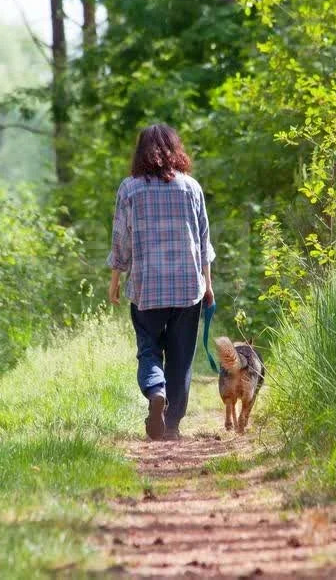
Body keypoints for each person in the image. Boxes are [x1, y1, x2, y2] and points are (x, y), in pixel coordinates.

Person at [107, 123, 215, 441]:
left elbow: (120, 240)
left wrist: (115, 278)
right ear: (175, 150)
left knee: (149, 349)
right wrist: (208, 284)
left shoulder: (129, 189)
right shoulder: (191, 188)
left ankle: (156, 389)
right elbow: (203, 239)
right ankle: (171, 425)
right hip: (187, 287)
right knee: (181, 358)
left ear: (141, 153)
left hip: (146, 287)